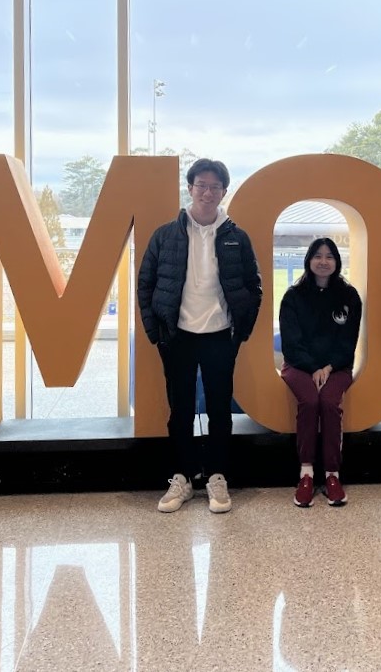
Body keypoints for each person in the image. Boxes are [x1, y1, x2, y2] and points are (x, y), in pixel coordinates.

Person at [138, 158, 263, 514]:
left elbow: (254, 287)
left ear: (224, 192)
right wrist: (155, 332)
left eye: (215, 187)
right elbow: (145, 283)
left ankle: (217, 477)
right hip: (176, 336)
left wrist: (242, 330)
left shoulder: (236, 237)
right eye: (201, 185)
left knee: (220, 409)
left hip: (220, 336)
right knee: (180, 411)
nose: (207, 192)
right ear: (190, 188)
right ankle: (182, 478)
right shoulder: (166, 235)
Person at [279, 237, 363, 508]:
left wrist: (328, 367)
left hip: (336, 366)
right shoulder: (293, 296)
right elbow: (291, 342)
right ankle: (306, 473)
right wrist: (312, 367)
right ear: (309, 260)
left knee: (328, 402)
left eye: (330, 256)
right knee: (310, 401)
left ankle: (332, 475)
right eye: (318, 256)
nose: (323, 261)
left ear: (337, 262)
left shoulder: (349, 297)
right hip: (299, 366)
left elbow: (348, 341)